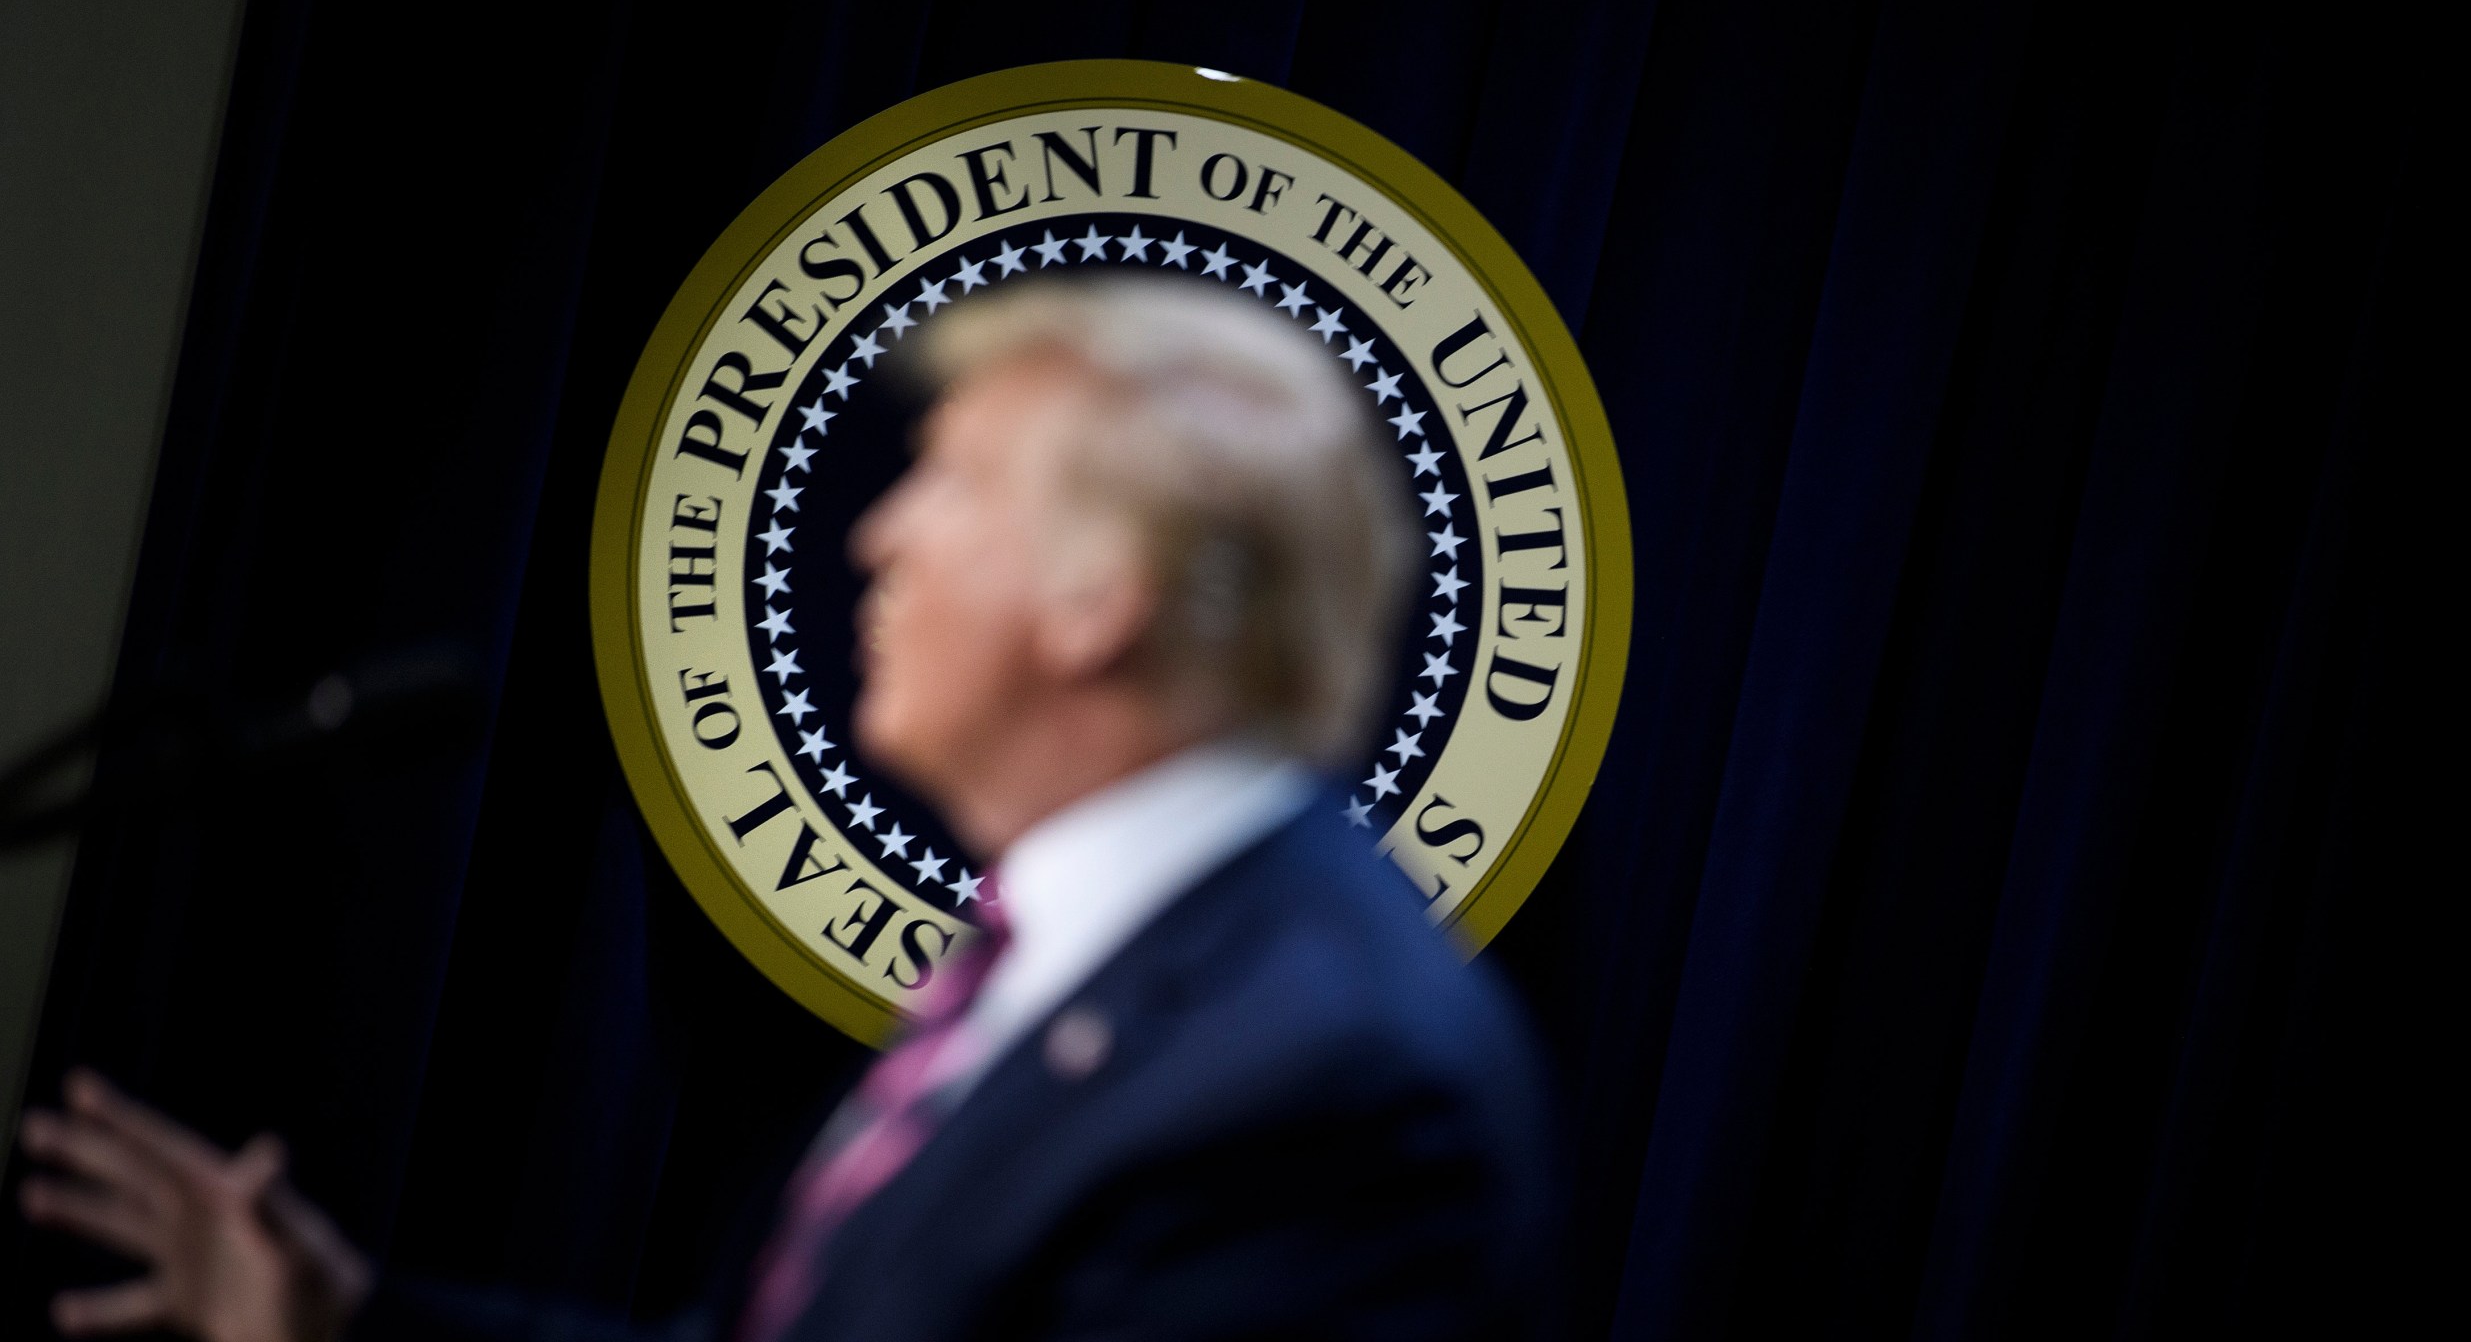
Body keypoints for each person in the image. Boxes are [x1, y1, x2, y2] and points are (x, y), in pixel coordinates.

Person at [18, 276, 1553, 1341]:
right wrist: (351, 1322)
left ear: (1102, 599)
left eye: (952, 481)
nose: (879, 535)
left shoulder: (1327, 1070)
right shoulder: (1063, 970)